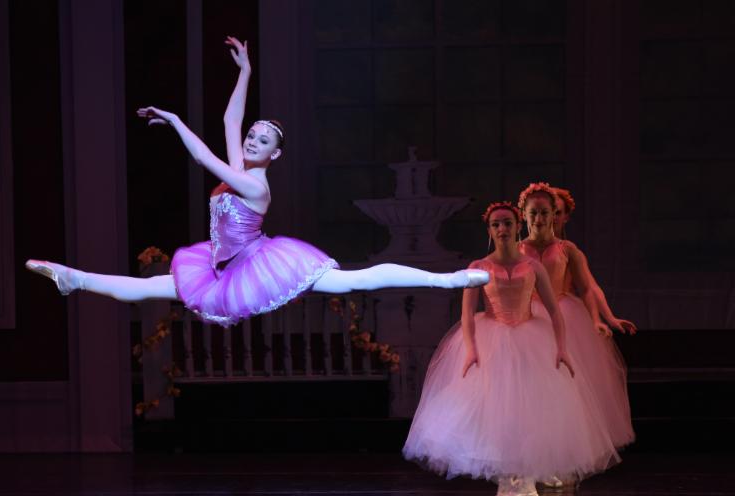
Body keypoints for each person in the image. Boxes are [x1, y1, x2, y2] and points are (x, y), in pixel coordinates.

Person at [26, 37, 488, 327]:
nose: (251, 140)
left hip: (257, 266)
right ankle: (73, 278)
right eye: (253, 135)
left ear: (275, 154)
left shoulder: (255, 187)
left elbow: (203, 156)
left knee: (353, 283)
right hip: (218, 267)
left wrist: (175, 120)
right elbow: (231, 120)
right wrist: (245, 72)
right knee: (149, 288)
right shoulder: (241, 169)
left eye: (261, 140)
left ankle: (446, 280)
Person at [403, 201, 619, 496]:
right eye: (496, 225)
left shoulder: (532, 266)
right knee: (498, 411)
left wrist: (561, 348)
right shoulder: (478, 268)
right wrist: (471, 350)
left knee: (532, 409)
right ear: (490, 231)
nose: (502, 229)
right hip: (494, 338)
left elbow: (555, 312)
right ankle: (510, 478)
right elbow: (467, 314)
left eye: (507, 223)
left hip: (530, 338)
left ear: (518, 226)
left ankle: (528, 475)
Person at [518, 183, 634, 451]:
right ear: (524, 214)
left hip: (563, 314)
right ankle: (531, 446)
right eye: (534, 213)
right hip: (527, 317)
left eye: (548, 213)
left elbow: (588, 287)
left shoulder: (567, 249)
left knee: (563, 384)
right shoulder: (517, 249)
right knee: (529, 384)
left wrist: (603, 318)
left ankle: (561, 446)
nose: (541, 219)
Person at [552, 186, 637, 335]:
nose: (552, 217)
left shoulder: (570, 251)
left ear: (566, 217)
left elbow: (590, 286)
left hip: (564, 314)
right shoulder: (523, 249)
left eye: (558, 213)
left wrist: (609, 318)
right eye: (548, 212)